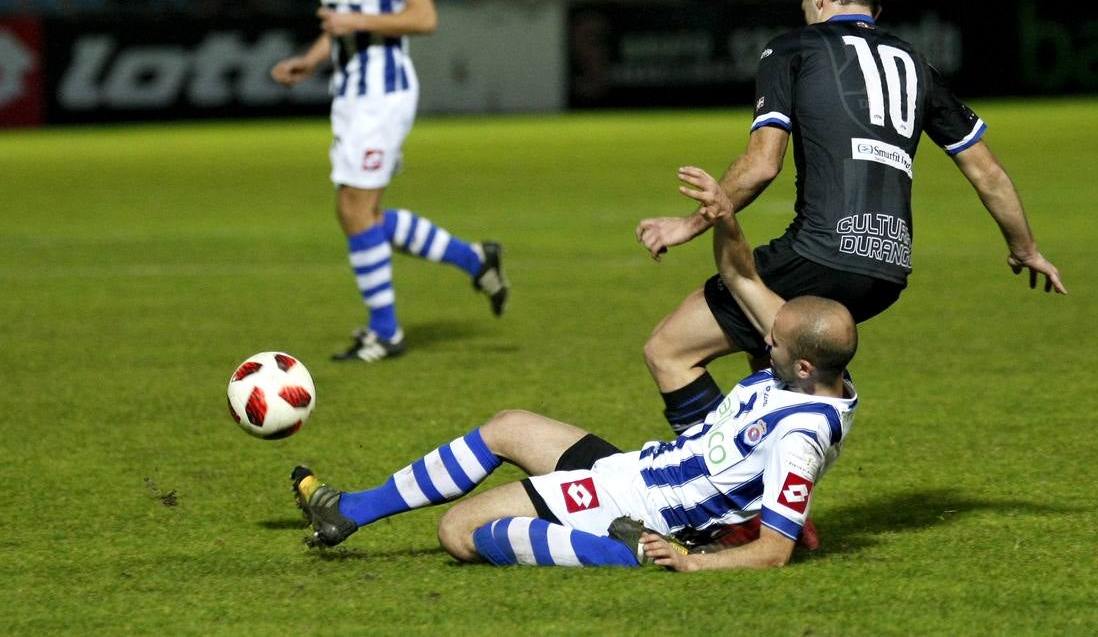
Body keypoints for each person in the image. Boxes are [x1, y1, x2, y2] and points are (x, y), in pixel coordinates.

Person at [291, 168, 857, 570]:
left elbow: (776, 552)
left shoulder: (801, 435)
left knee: (460, 532)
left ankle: (632, 550)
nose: (763, 341)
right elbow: (742, 278)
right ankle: (352, 511)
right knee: (508, 424)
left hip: (645, 506)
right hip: (643, 471)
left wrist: (691, 564)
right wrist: (724, 216)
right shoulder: (809, 371)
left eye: (774, 344)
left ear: (804, 364)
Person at [636, 0, 1064, 437]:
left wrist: (687, 225)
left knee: (669, 350)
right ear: (874, 9)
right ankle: (779, 494)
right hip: (887, 270)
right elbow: (986, 170)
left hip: (819, 253)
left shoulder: (792, 47)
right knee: (771, 358)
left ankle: (716, 487)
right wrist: (1024, 248)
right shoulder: (914, 63)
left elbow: (761, 165)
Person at [269, 0, 508, 362]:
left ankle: (387, 331)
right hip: (350, 90)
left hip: (384, 91)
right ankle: (477, 261)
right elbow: (339, 21)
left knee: (353, 206)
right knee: (364, 211)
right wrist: (311, 58)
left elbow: (424, 16)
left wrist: (356, 20)